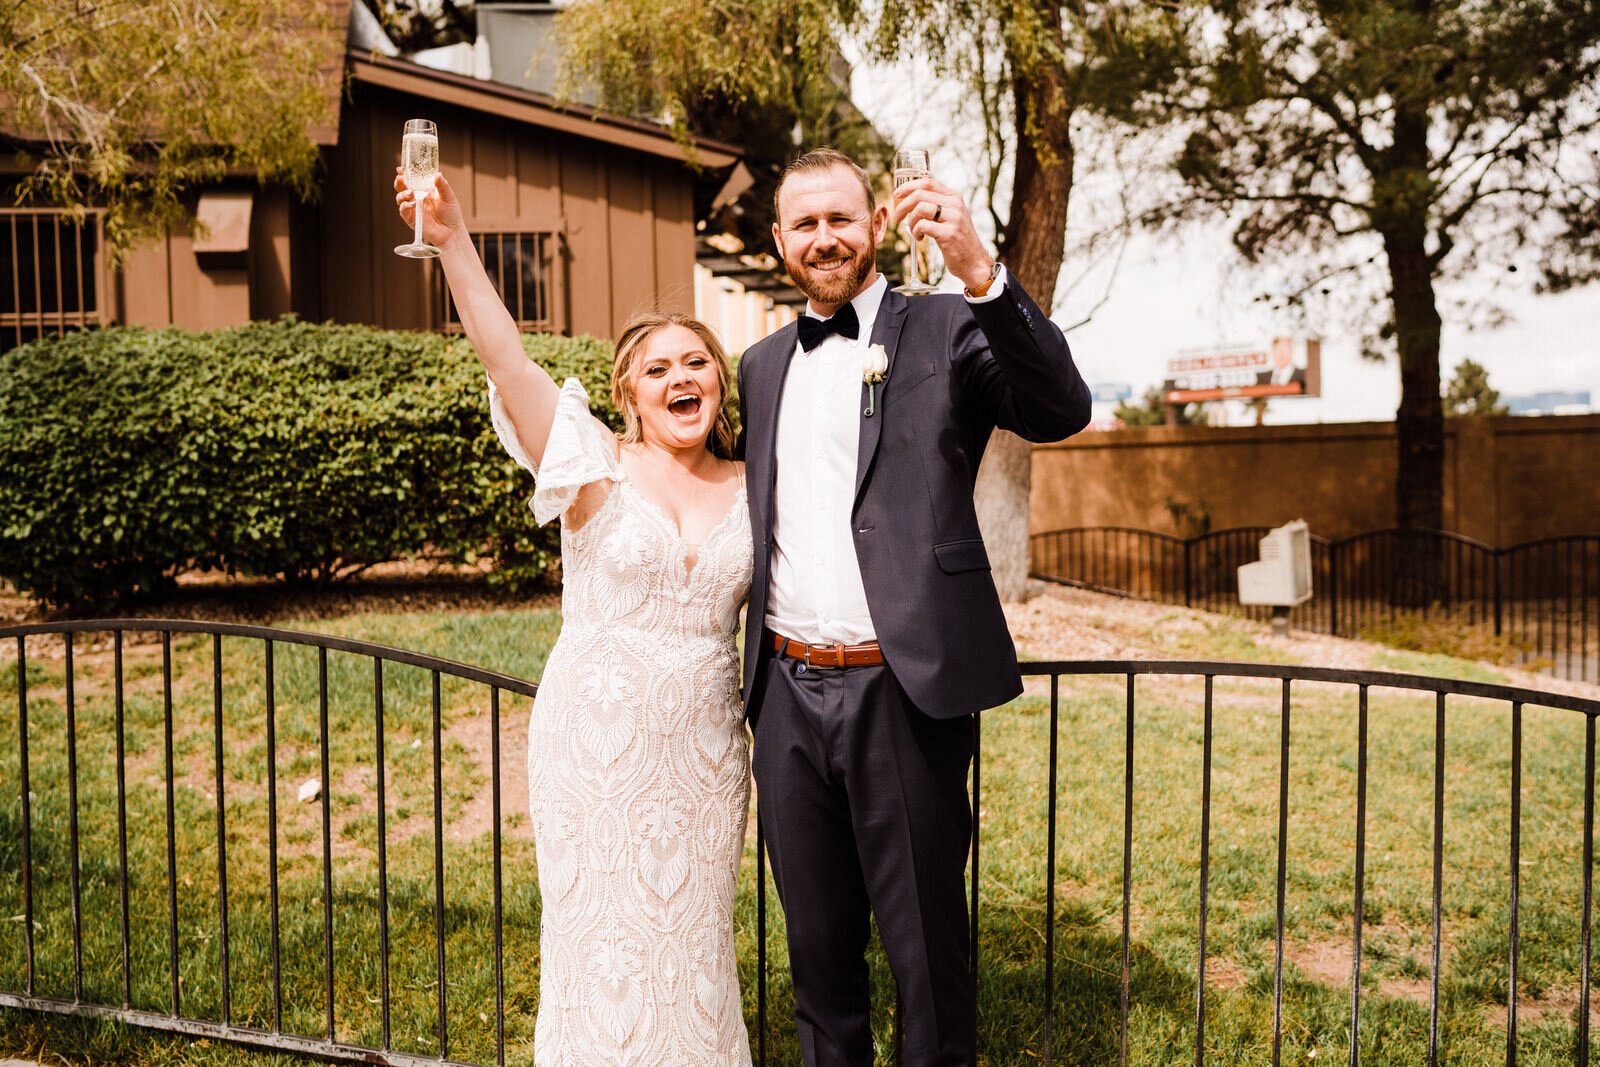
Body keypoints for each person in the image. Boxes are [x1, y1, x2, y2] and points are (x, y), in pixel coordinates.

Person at [737, 148, 1092, 1066]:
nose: (825, 238)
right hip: (784, 696)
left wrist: (980, 269)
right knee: (817, 961)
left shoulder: (943, 328)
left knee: (927, 960)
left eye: (842, 219)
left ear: (877, 225)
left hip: (903, 691)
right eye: (805, 223)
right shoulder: (761, 364)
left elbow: (1059, 408)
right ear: (779, 241)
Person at [394, 172, 754, 1065]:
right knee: (600, 943)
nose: (682, 377)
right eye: (659, 367)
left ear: (719, 383)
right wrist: (453, 241)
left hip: (706, 756)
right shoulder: (592, 460)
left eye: (697, 362)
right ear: (630, 393)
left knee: (695, 945)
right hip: (593, 753)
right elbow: (507, 361)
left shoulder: (758, 484)